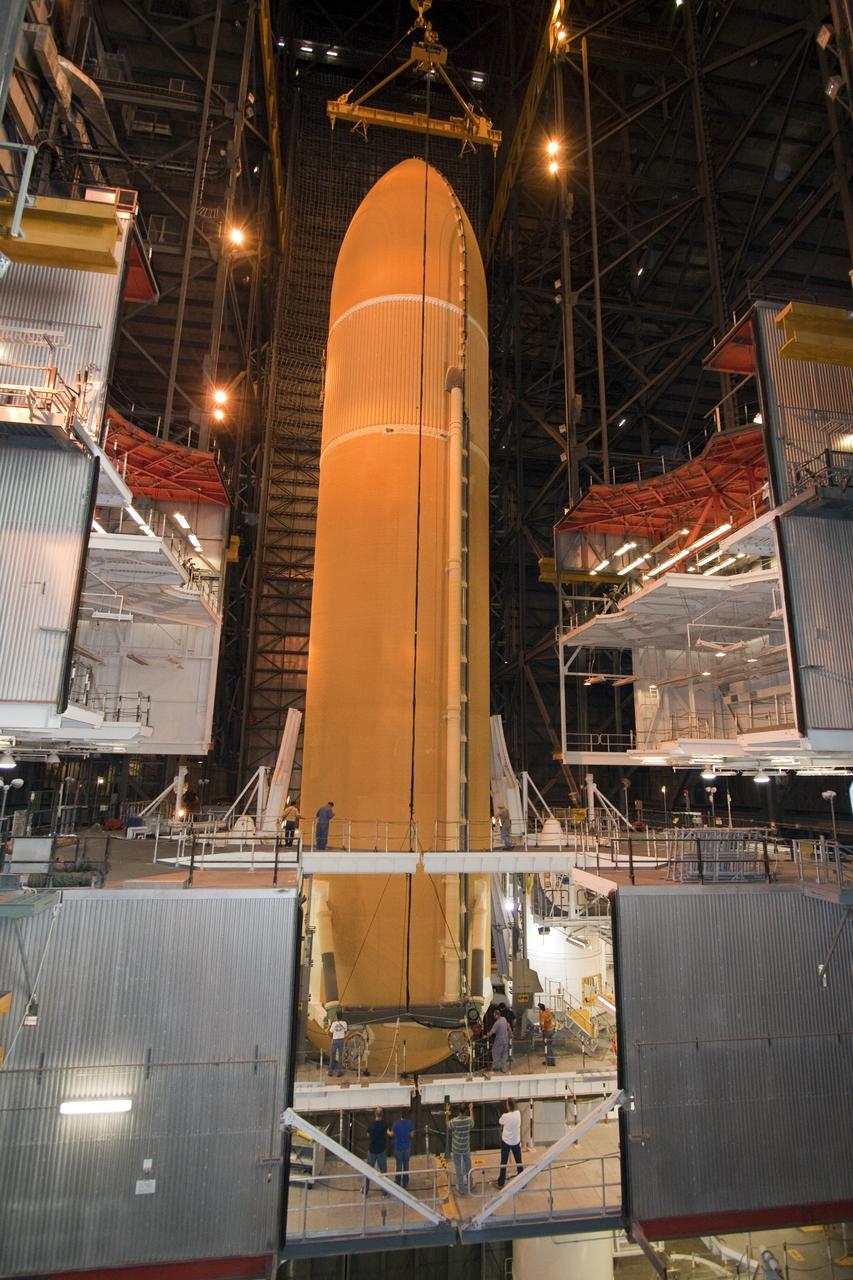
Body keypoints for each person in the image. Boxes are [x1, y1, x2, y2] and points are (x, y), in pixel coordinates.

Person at [493, 1099, 523, 1187]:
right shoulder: (518, 1113)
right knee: (519, 1162)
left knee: (504, 1162)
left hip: (506, 1142)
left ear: (508, 1106)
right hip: (516, 1141)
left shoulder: (505, 1116)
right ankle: (522, 1181)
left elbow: (500, 1121)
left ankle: (501, 1182)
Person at [448, 1101, 474, 1196]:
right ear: (466, 1110)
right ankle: (470, 1184)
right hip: (465, 1147)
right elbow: (472, 1123)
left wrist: (447, 1113)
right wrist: (471, 1110)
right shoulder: (468, 1120)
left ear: (458, 1110)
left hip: (456, 1148)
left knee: (458, 1168)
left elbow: (447, 1125)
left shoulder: (455, 1121)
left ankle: (462, 1188)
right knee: (468, 1166)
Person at [364, 1106, 389, 1196]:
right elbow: (387, 1133)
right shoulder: (384, 1124)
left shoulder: (371, 1125)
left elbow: (367, 1134)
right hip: (381, 1151)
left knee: (368, 1171)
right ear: (382, 1115)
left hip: (372, 1151)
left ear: (375, 1114)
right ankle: (385, 1191)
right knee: (383, 1171)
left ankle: (365, 1190)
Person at [391, 1109, 415, 1188]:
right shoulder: (410, 1123)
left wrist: (387, 1131)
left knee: (398, 1165)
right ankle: (405, 1182)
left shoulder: (396, 1124)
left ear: (401, 1115)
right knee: (406, 1165)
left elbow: (392, 1134)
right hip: (407, 1147)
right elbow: (412, 1135)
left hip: (398, 1148)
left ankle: (397, 1181)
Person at [488, 1008, 511, 1073]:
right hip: (506, 1040)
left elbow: (492, 1032)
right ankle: (504, 1069)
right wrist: (510, 1034)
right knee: (504, 1054)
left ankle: (496, 1067)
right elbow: (508, 1027)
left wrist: (486, 1035)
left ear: (496, 1015)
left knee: (495, 1052)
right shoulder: (504, 1019)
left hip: (499, 1041)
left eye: (494, 1015)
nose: (493, 1017)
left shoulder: (497, 1023)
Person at [327, 1008, 347, 1077]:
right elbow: (345, 1031)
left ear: (336, 1016)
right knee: (340, 1056)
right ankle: (339, 1071)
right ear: (342, 1016)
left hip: (335, 1040)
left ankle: (330, 1071)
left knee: (332, 1055)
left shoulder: (334, 1023)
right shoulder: (344, 1023)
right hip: (341, 1040)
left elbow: (330, 1033)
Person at [538, 1001, 556, 1066]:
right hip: (551, 1030)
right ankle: (553, 1061)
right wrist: (550, 1020)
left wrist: (541, 1029)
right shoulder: (548, 1010)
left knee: (547, 1047)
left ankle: (548, 1062)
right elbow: (553, 1014)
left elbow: (542, 1024)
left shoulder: (542, 1014)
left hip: (546, 1032)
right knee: (551, 1046)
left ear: (540, 1009)